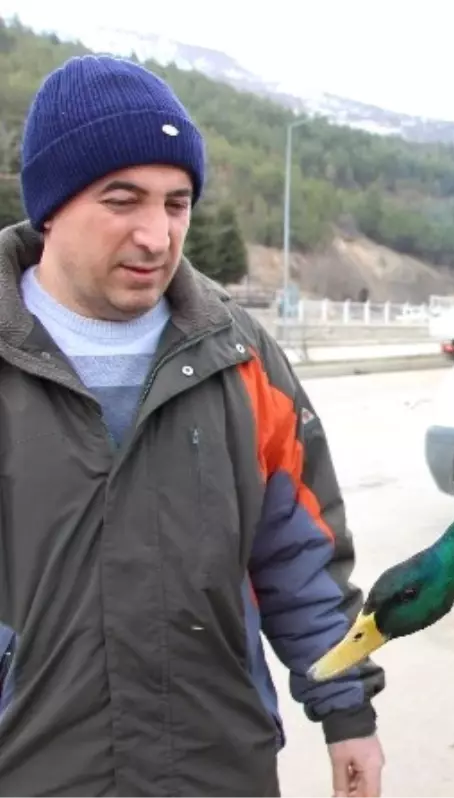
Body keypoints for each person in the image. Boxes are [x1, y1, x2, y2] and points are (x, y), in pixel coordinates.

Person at [0, 55, 385, 798]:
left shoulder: (240, 358)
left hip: (218, 769)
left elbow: (300, 558)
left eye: (177, 204)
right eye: (123, 200)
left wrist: (349, 713)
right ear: (51, 206)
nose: (156, 235)